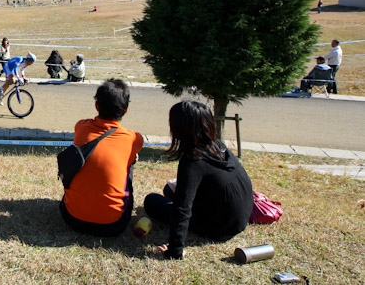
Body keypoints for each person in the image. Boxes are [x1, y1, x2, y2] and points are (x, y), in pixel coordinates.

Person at [144, 100, 253, 259]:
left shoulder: (193, 161)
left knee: (152, 201)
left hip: (218, 227)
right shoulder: (218, 146)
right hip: (239, 218)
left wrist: (175, 249)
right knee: (169, 189)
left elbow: (182, 209)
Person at [60, 79, 143, 236]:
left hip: (72, 218)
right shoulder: (134, 138)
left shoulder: (80, 126)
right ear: (126, 109)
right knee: (130, 162)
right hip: (113, 225)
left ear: (97, 106)